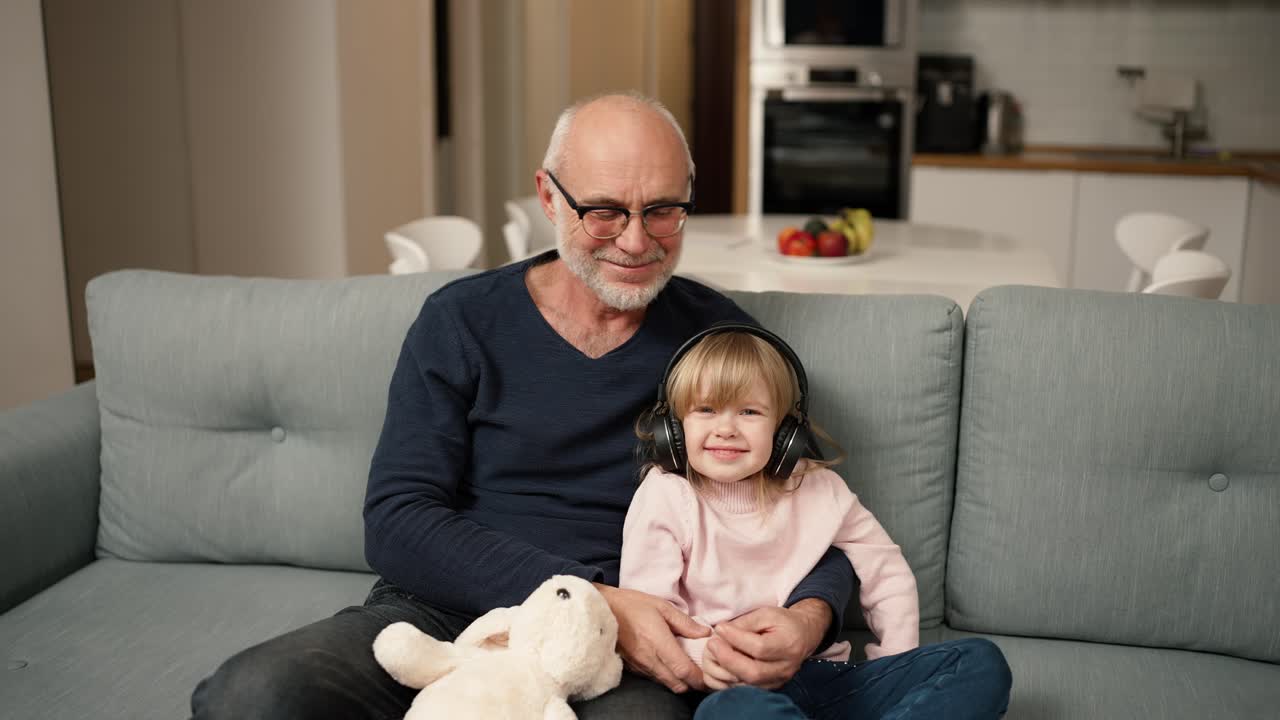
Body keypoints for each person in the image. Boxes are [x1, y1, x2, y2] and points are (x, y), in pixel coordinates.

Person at [189, 91, 857, 720]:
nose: (635, 240)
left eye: (662, 210)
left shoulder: (722, 344)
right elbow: (397, 520)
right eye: (604, 211)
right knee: (252, 695)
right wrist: (590, 594)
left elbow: (806, 515)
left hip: (623, 649)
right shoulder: (461, 322)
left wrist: (808, 619)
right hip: (448, 611)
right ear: (548, 196)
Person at [623, 326, 1013, 719]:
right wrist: (716, 661)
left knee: (979, 661)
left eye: (749, 412)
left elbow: (886, 570)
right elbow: (654, 616)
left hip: (826, 677)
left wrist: (894, 660)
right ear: (673, 428)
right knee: (738, 711)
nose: (726, 428)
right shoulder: (666, 496)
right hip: (733, 689)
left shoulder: (818, 488)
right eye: (706, 409)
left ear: (784, 432)